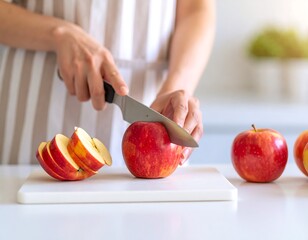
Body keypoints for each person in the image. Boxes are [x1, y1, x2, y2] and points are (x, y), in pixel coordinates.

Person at [0, 0, 215, 166]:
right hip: (33, 121)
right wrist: (59, 34)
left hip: (154, 118)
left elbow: (196, 9)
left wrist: (177, 87)